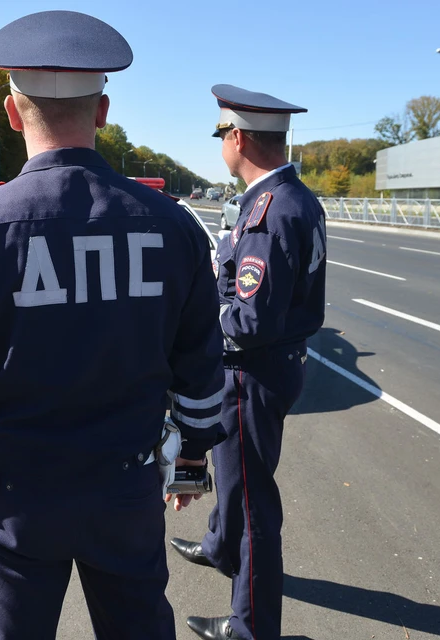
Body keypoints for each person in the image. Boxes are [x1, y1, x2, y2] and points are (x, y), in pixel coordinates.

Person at [0, 11, 226, 639]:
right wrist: (189, 455)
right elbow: (201, 364)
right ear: (102, 112)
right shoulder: (172, 225)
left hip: (11, 499)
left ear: (12, 112)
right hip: (126, 488)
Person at [170, 85, 327, 640]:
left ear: (237, 138)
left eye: (222, 135)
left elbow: (248, 320)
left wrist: (197, 315)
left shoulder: (268, 210)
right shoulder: (293, 197)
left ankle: (252, 627)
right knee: (237, 484)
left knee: (255, 504)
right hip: (273, 365)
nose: (222, 145)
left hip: (251, 372)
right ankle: (218, 544)